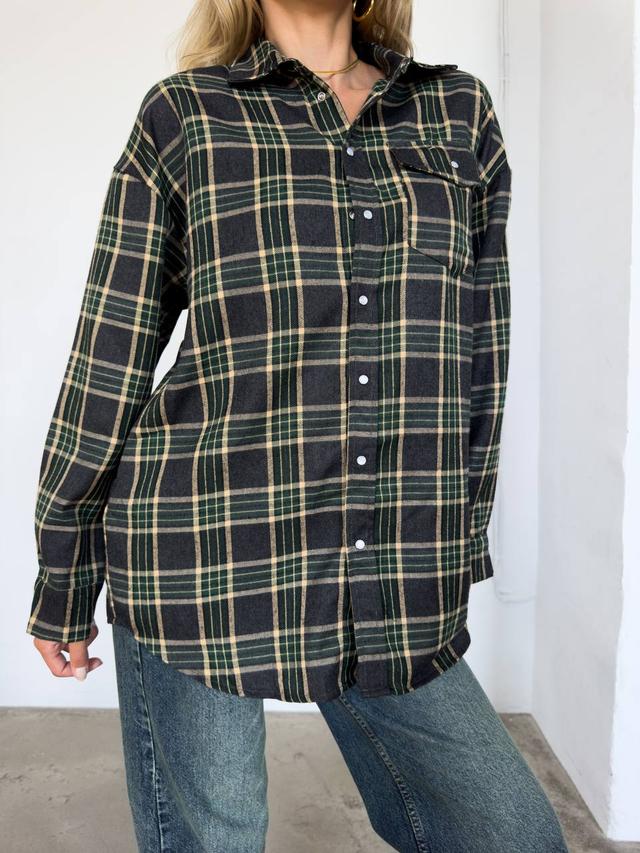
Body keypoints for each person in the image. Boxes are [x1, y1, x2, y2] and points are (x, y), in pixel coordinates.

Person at [25, 0, 570, 850]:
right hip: (200, 558)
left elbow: (480, 353)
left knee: (512, 833)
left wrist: (456, 537)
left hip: (389, 562)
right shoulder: (187, 116)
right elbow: (110, 351)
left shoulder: (457, 111)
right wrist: (64, 571)